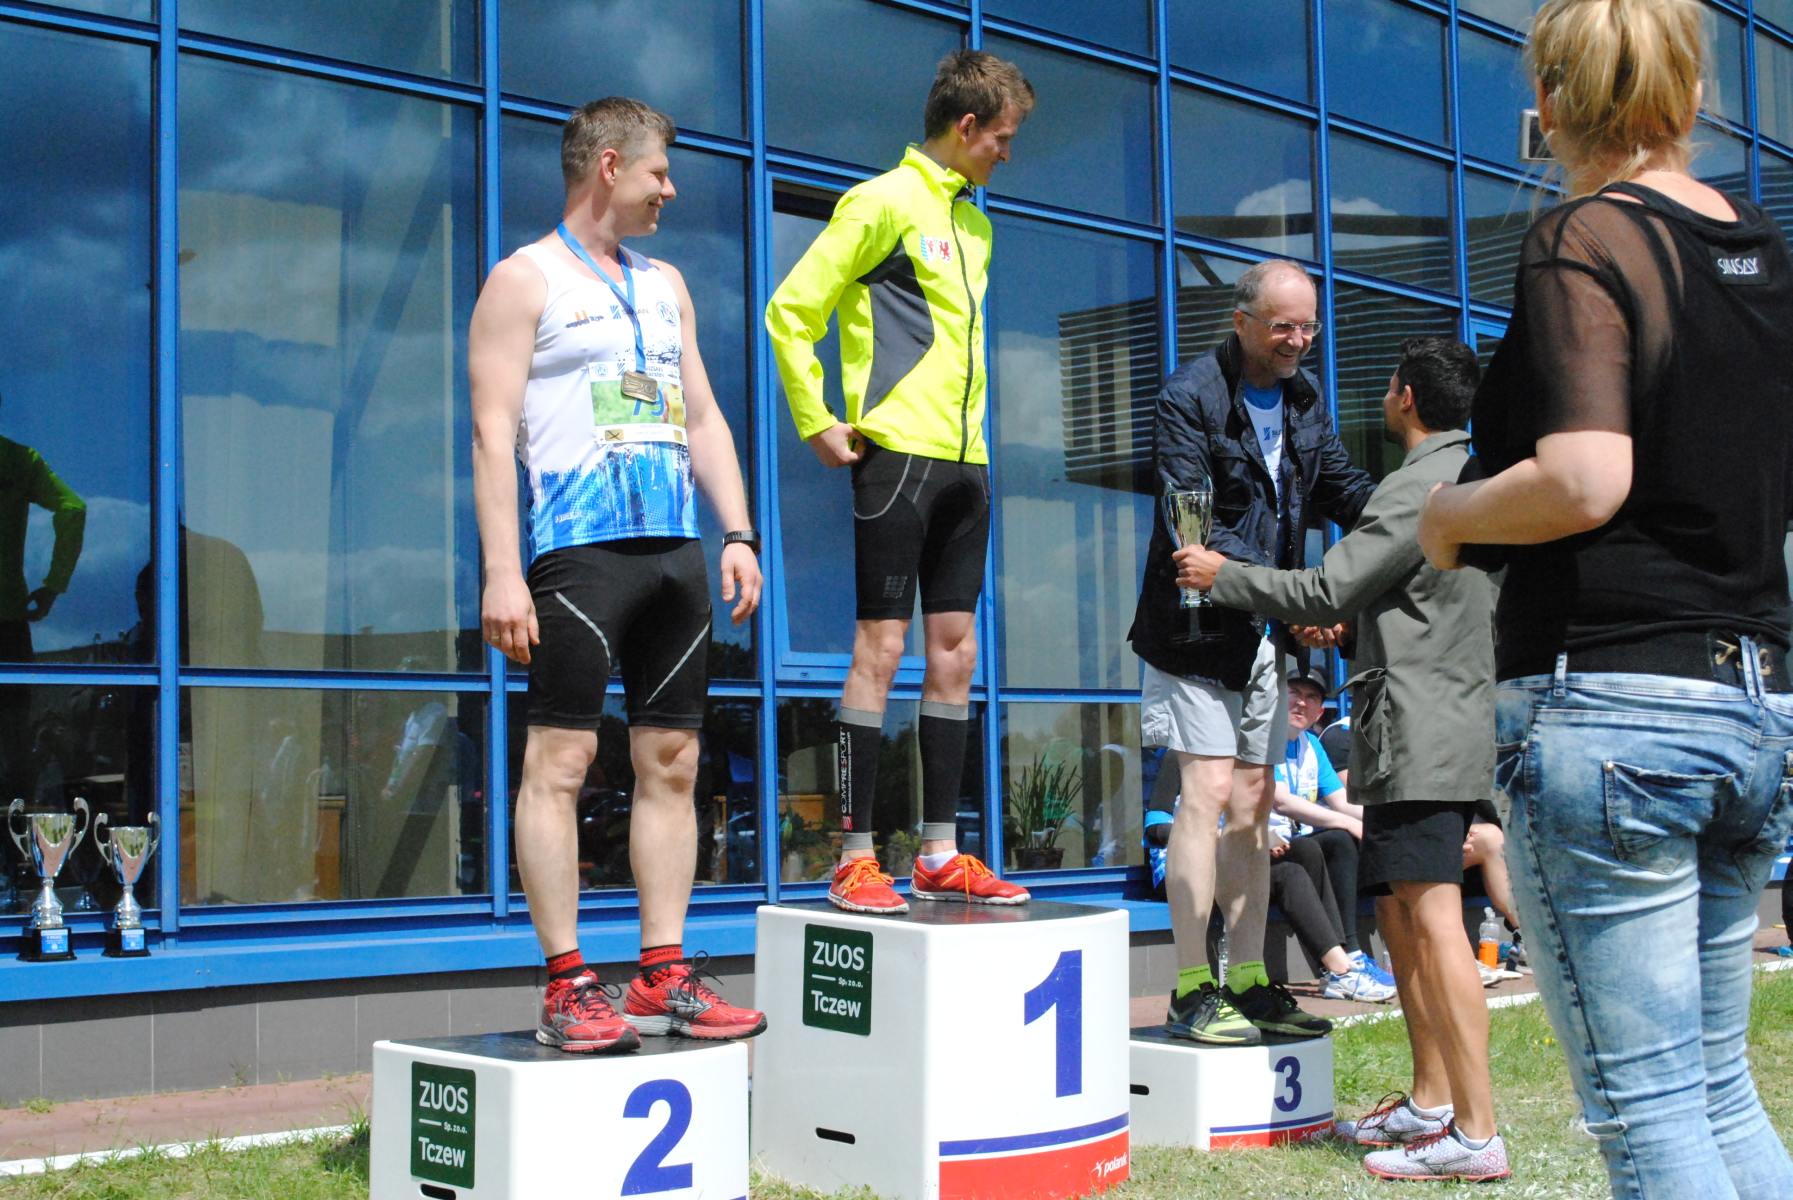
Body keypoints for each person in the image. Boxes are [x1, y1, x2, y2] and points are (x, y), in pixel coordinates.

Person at [1417, 1, 1793, 1193]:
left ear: (1548, 103)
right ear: (1691, 91)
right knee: (1715, 1090)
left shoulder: (1581, 237)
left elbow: (1584, 477)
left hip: (1610, 707)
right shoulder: (1757, 248)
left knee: (1648, 1115)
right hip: (1748, 703)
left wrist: (1447, 518)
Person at [471, 97, 767, 1053]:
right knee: (559, 764)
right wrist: (502, 572)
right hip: (577, 553)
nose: (668, 190)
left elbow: (703, 416)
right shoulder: (524, 279)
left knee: (672, 762)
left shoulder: (666, 283)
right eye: (657, 173)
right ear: (608, 165)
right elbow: (490, 433)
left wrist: (737, 532)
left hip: (674, 554)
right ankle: (566, 984)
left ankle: (661, 972)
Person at [1180, 336, 1507, 1180]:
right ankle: (1430, 1103)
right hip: (1437, 723)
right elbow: (1427, 603)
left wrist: (1221, 573)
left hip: (1418, 732)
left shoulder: (1415, 484)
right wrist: (1355, 626)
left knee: (1433, 920)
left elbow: (1325, 585)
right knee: (1400, 915)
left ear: (1403, 397)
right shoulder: (1477, 477)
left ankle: (1474, 1133)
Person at [766, 52, 1035, 914]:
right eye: (1001, 138)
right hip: (896, 458)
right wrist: (815, 416)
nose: (1006, 154)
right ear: (965, 126)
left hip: (967, 464)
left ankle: (938, 853)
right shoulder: (880, 202)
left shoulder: (977, 227)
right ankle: (852, 857)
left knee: (957, 652)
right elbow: (791, 309)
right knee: (879, 650)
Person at [1133, 259, 1376, 1045]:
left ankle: (1246, 978)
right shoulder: (1188, 396)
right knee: (1203, 794)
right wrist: (1292, 593)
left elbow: (1340, 487)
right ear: (1241, 321)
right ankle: (1189, 987)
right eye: (1282, 326)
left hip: (1260, 635)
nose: (1297, 341)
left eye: (1308, 326)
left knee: (1253, 803)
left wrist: (1411, 514)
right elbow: (1191, 522)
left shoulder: (1304, 401)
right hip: (1192, 631)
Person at [1274, 665, 1397, 998]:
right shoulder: (1262, 739)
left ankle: (1351, 953)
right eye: (1294, 693)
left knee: (1339, 841)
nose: (1301, 703)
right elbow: (1281, 801)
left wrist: (1390, 825)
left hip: (1295, 844)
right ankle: (1338, 967)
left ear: (1319, 712)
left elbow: (1342, 802)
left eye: (1311, 697)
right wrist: (1346, 822)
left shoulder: (1312, 745)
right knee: (1331, 838)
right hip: (1261, 847)